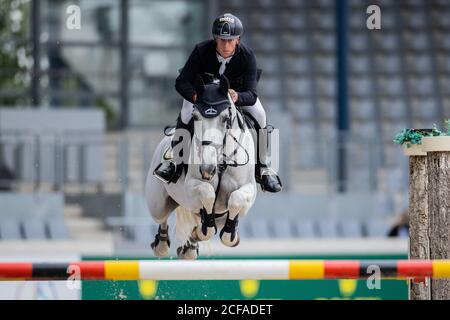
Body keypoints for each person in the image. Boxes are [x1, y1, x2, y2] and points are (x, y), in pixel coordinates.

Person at [153, 13, 282, 193]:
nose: (226, 45)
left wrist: (237, 96)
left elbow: (251, 94)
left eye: (230, 40)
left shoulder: (247, 56)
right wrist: (195, 96)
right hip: (203, 96)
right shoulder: (201, 51)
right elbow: (181, 82)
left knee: (261, 114)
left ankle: (265, 167)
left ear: (238, 40)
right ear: (215, 39)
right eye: (222, 40)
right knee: (185, 111)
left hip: (234, 95)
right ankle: (175, 161)